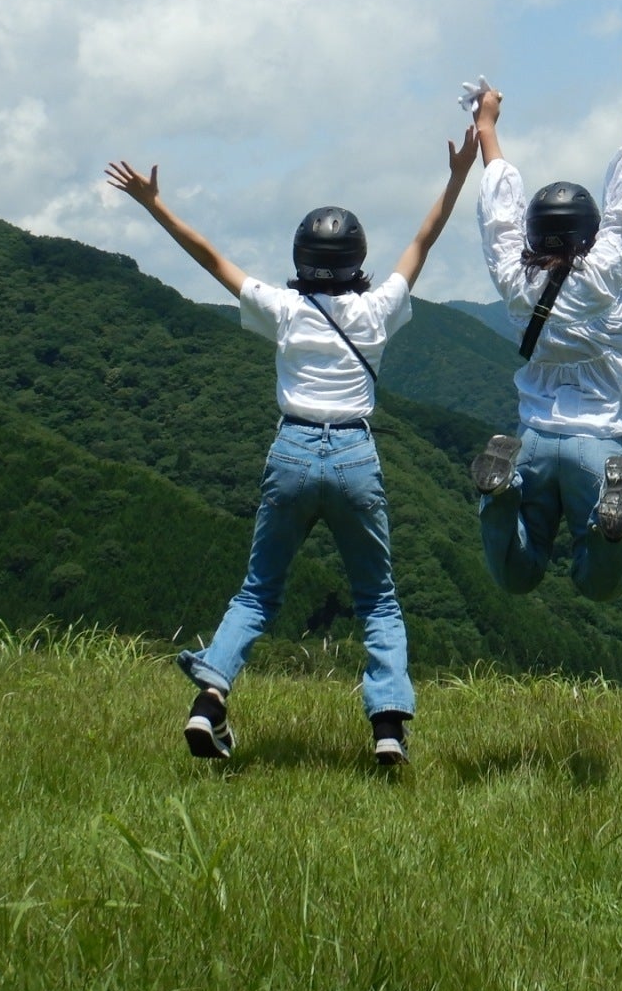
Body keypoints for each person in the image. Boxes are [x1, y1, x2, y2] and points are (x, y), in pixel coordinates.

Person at [104, 126, 478, 766]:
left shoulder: (283, 310)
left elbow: (211, 259)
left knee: (257, 593)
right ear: (357, 259)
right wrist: (459, 173)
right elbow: (423, 241)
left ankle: (210, 701)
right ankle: (388, 726)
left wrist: (153, 203)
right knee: (378, 599)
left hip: (292, 452)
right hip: (355, 456)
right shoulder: (377, 311)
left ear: (301, 259)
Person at [467, 57, 622, 602]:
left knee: (517, 573)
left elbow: (498, 217)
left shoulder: (516, 279)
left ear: (532, 234)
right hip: (599, 446)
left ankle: (500, 496)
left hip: (532, 439)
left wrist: (487, 125)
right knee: (598, 583)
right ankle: (606, 529)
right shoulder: (609, 273)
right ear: (592, 235)